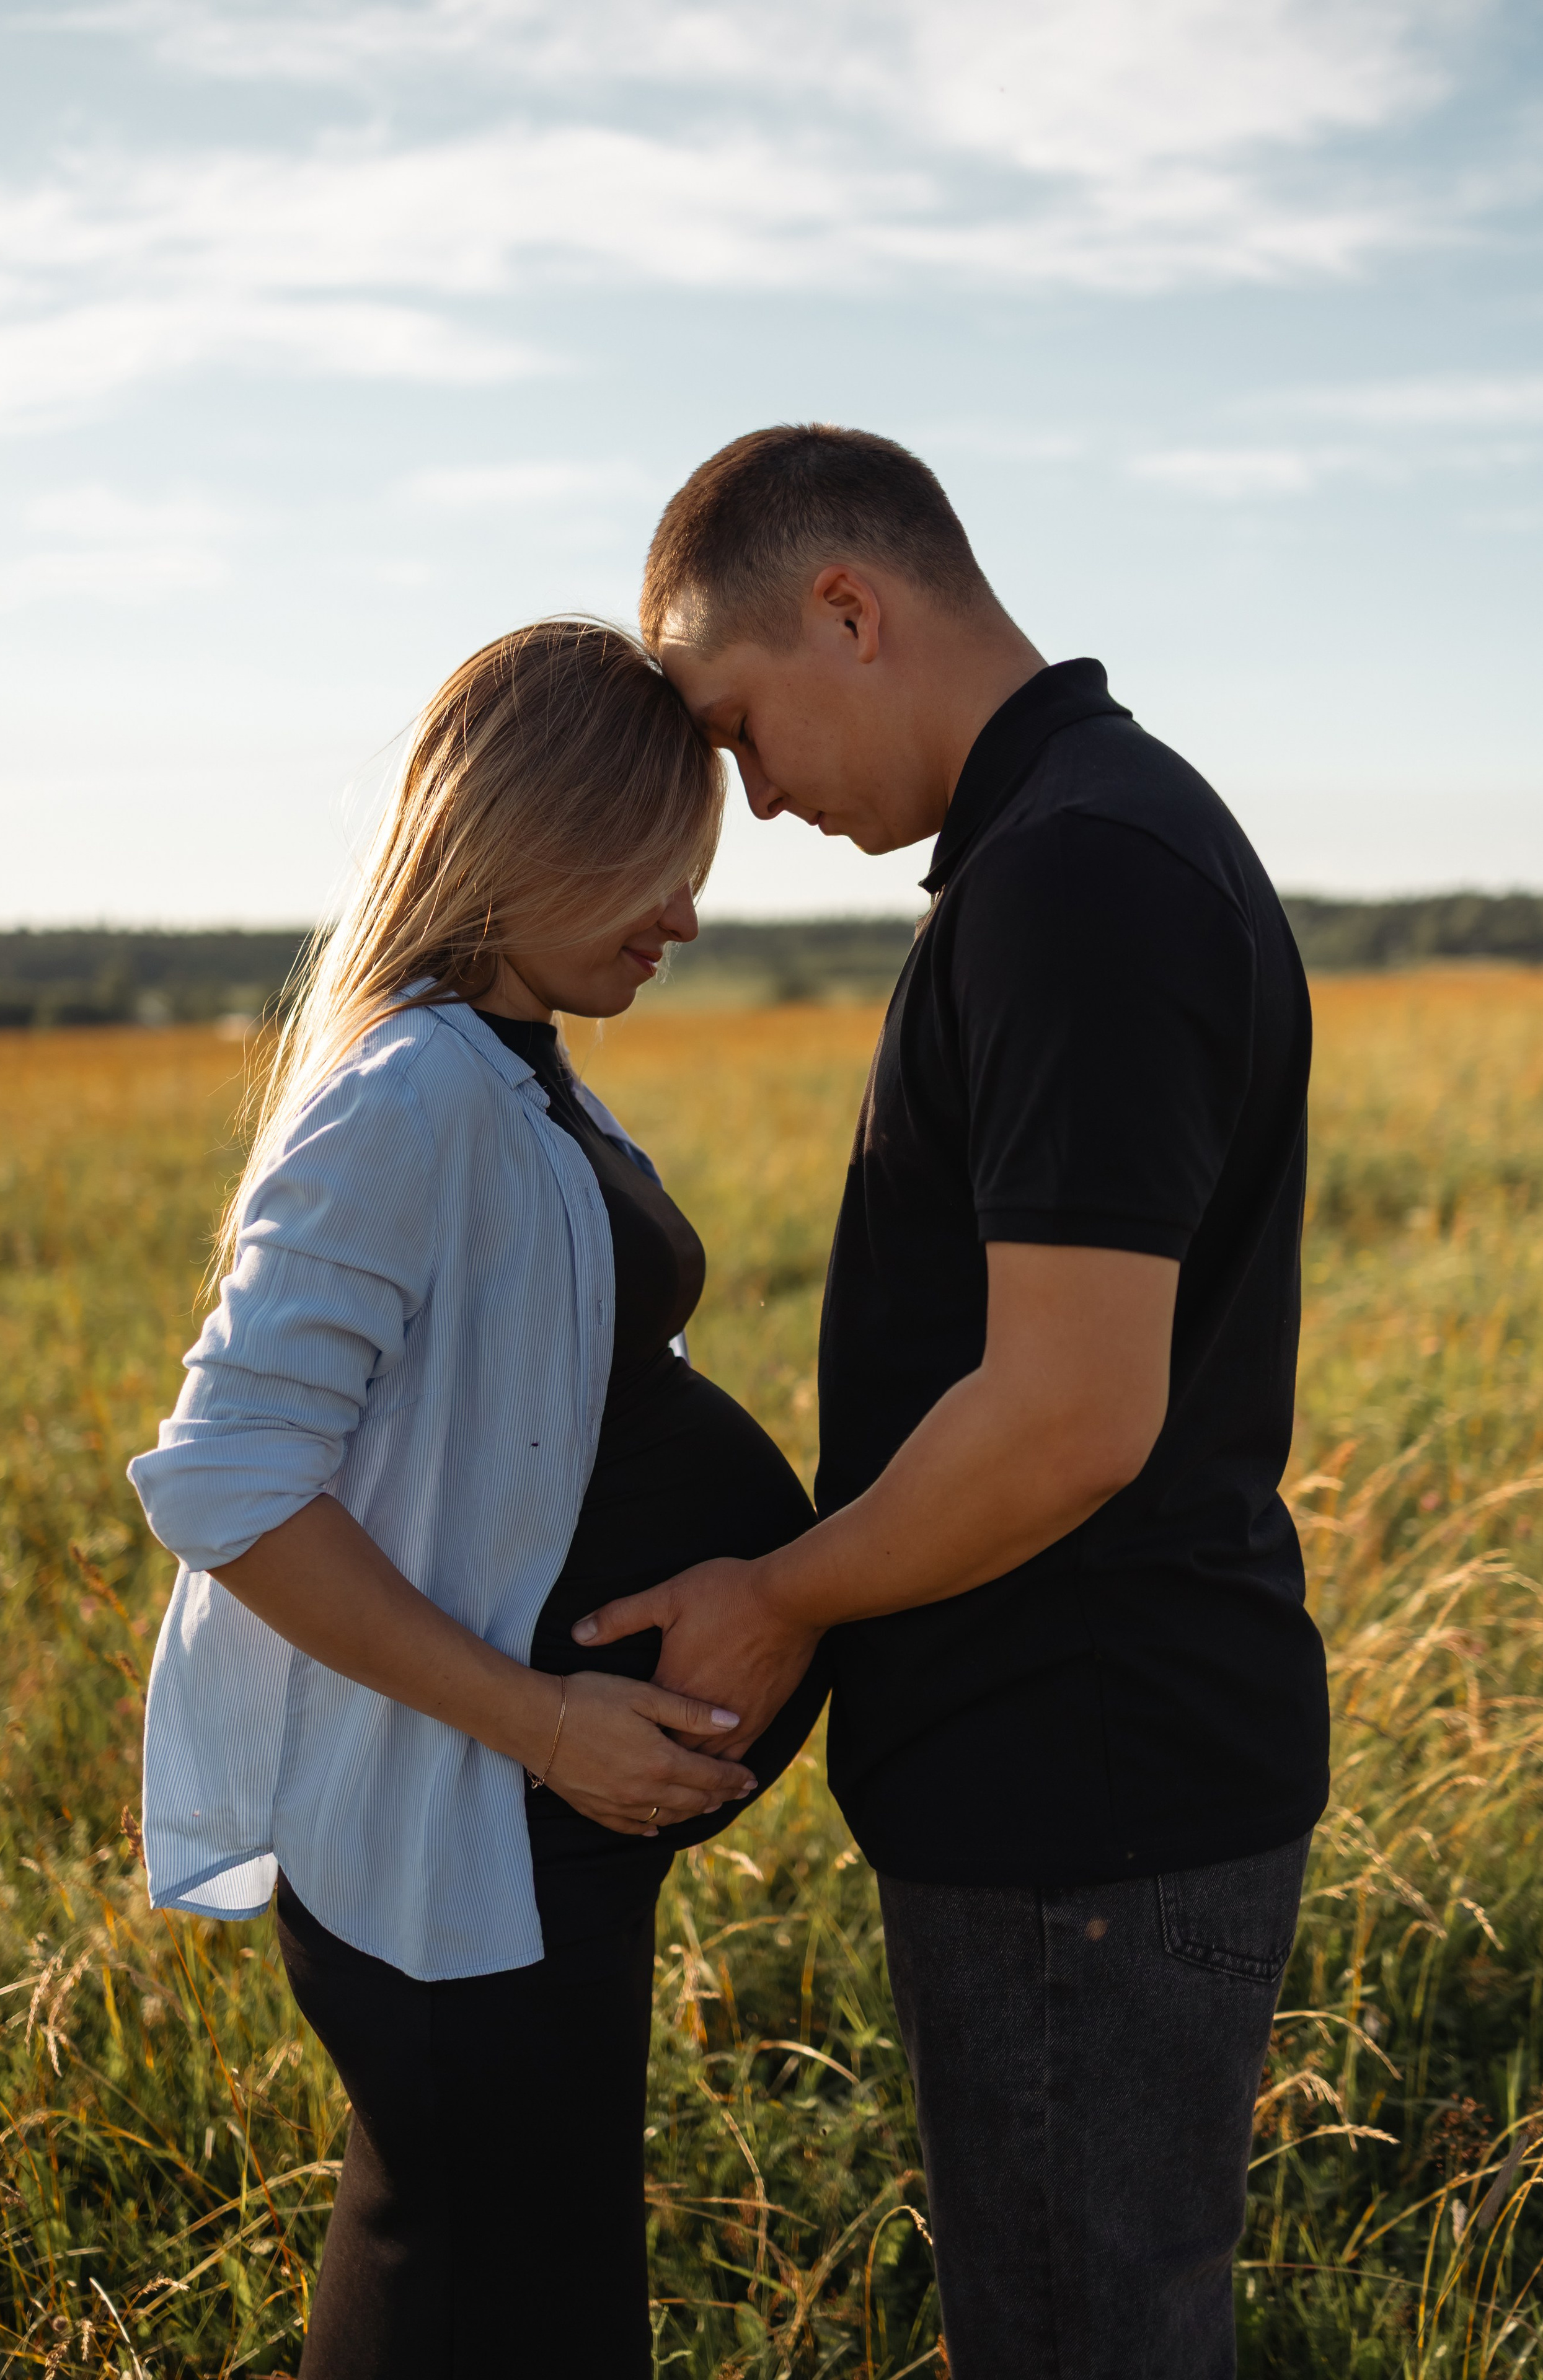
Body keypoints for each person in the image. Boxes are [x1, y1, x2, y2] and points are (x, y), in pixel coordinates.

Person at [573, 426, 1330, 2378]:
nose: (750, 797)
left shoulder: (1080, 875)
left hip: (1089, 1791)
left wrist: (783, 1595)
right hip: (1089, 1774)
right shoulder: (1066, 844)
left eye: (738, 728)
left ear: (849, 611)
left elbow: (1071, 1414)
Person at [126, 619, 826, 2379]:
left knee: (506, 2273)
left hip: (532, 1827)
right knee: (479, 2279)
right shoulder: (414, 1090)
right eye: (656, 862)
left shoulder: (512, 1070)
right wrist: (546, 1724)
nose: (686, 915)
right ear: (529, 832)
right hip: (475, 1804)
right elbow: (227, 1479)